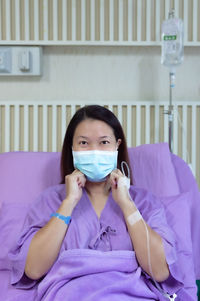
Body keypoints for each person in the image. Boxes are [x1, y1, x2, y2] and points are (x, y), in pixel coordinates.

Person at [10, 105, 182, 300]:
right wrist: (69, 202)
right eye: (84, 143)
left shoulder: (144, 202)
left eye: (104, 142)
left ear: (117, 145)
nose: (94, 151)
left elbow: (159, 272)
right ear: (72, 147)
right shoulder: (50, 201)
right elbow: (33, 269)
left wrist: (127, 204)